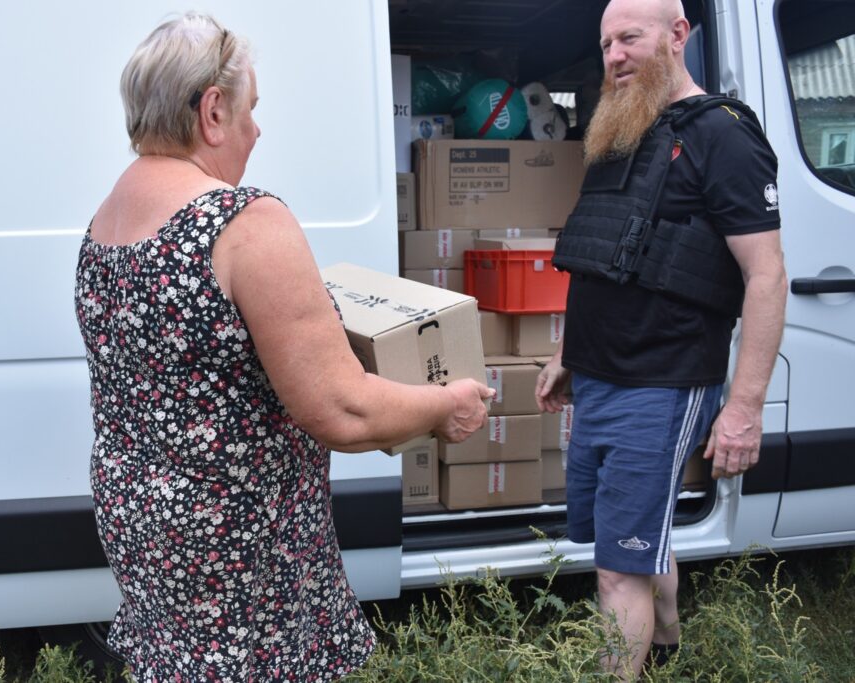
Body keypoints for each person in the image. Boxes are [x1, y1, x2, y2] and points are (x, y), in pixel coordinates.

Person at [73, 12, 493, 682]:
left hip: (142, 524)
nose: (257, 129)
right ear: (213, 111)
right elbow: (341, 409)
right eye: (251, 109)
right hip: (237, 546)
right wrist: (447, 405)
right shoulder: (244, 224)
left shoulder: (106, 220)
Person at [536, 0, 787, 678]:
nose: (613, 56)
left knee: (617, 569)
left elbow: (767, 277)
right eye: (606, 44)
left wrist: (745, 407)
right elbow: (598, 254)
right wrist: (566, 353)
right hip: (598, 374)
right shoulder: (623, 126)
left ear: (677, 35)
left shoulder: (724, 134)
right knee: (631, 539)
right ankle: (669, 652)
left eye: (629, 38)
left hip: (663, 380)